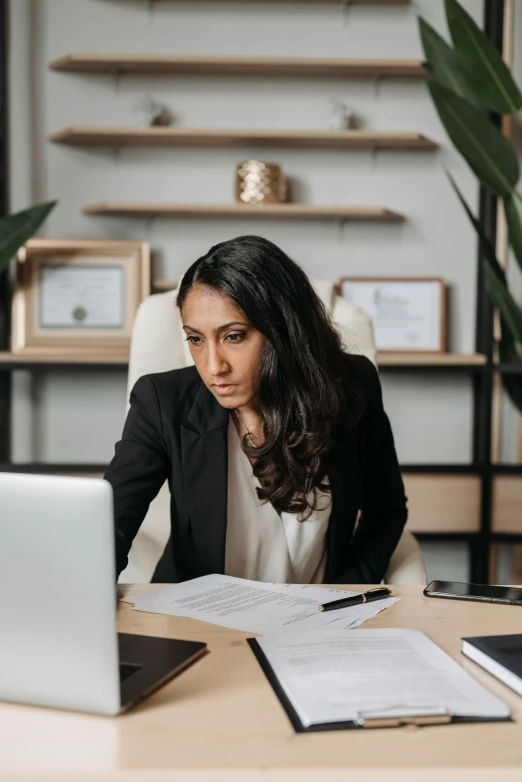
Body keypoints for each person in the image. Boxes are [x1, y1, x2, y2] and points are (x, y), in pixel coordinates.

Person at [105, 235, 408, 584]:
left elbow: (386, 511)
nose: (213, 366)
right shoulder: (161, 401)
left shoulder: (354, 384)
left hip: (319, 621)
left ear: (284, 331)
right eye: (196, 339)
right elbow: (110, 526)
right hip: (198, 620)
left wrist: (348, 591)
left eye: (233, 336)